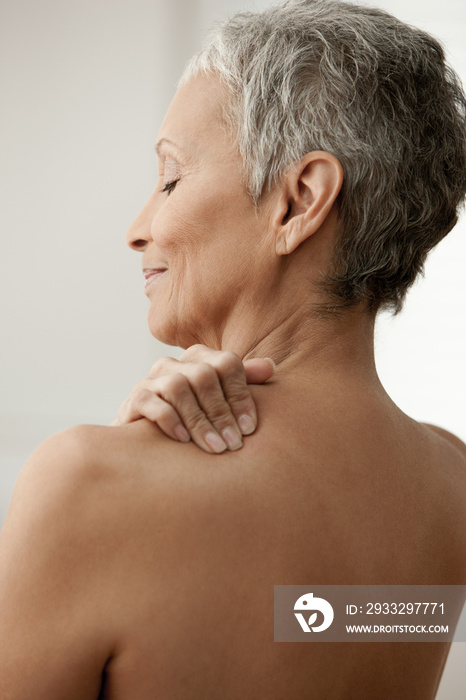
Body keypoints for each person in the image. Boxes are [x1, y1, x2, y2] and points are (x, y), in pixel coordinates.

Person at [1, 0, 465, 697]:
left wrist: (123, 472)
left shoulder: (89, 485)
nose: (138, 226)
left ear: (299, 201)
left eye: (170, 177)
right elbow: (313, 624)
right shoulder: (451, 486)